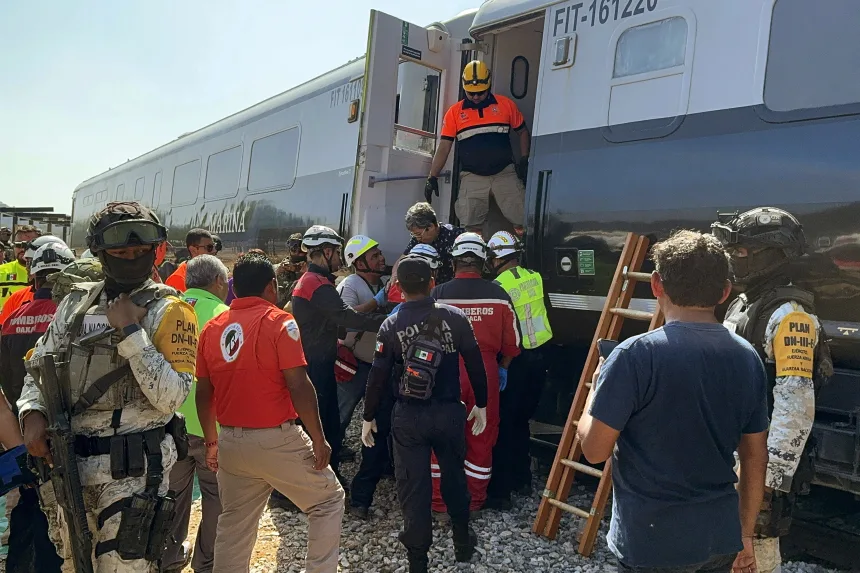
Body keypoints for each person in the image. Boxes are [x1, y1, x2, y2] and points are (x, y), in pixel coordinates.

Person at [18, 201, 197, 571]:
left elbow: (171, 397)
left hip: (131, 475)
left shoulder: (170, 310)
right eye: (120, 251)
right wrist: (31, 411)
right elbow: (39, 368)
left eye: (140, 251)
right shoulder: (74, 305)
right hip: (69, 470)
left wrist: (131, 331)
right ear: (101, 253)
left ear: (155, 251)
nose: (132, 257)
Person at [577, 230, 769, 573]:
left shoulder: (634, 356)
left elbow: (594, 451)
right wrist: (746, 534)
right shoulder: (747, 357)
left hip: (651, 542)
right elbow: (755, 456)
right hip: (719, 538)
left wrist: (595, 390)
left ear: (655, 285)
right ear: (725, 292)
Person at [195, 253, 344, 573]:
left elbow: (204, 393)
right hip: (276, 440)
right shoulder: (280, 321)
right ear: (272, 287)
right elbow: (299, 385)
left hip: (231, 442)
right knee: (328, 501)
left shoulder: (212, 328)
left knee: (233, 527)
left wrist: (212, 442)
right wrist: (319, 438)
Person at [713, 208, 833, 573]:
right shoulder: (745, 303)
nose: (735, 259)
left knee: (755, 559)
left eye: (744, 252)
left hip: (756, 467)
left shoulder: (790, 317)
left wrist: (766, 488)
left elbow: (795, 407)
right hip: (733, 456)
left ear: (773, 254)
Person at [363, 255, 488, 573]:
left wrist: (368, 416)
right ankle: (462, 541)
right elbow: (475, 365)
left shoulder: (390, 324)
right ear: (432, 283)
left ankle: (418, 561)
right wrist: (482, 404)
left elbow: (377, 376)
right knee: (454, 477)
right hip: (449, 413)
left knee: (413, 488)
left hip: (409, 417)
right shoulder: (456, 318)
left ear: (398, 288)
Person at [290, 225, 388, 488]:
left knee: (324, 421)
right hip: (316, 365)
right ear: (326, 251)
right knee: (325, 424)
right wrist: (387, 321)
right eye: (337, 252)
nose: (340, 258)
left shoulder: (314, 282)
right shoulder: (317, 284)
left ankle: (318, 481)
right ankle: (320, 485)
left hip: (314, 362)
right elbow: (345, 317)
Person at [430, 232, 520, 512]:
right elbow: (513, 344)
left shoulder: (438, 294)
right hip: (486, 371)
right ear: (483, 261)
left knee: (441, 434)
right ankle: (474, 501)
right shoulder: (500, 295)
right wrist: (502, 367)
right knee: (481, 435)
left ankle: (439, 501)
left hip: (445, 371)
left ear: (454, 261)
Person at [163, 254, 230, 573]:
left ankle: (168, 558)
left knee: (172, 496)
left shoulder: (167, 310)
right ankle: (207, 563)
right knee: (216, 498)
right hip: (210, 429)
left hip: (168, 424)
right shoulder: (224, 315)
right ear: (218, 282)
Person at [485, 231, 552, 507]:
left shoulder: (498, 286)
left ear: (497, 258)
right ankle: (523, 479)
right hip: (541, 357)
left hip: (515, 360)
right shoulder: (535, 278)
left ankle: (502, 488)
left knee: (505, 423)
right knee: (523, 421)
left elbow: (502, 331)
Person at [425, 60, 530, 236]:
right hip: (472, 176)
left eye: (480, 93)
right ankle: (475, 261)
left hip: (505, 172)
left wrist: (525, 159)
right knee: (471, 229)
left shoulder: (506, 105)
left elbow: (523, 132)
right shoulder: (454, 112)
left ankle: (524, 258)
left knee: (524, 221)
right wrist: (432, 176)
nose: (475, 97)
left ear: (488, 85)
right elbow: (444, 146)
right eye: (471, 93)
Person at [0, 242, 75, 411]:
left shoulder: (12, 319)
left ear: (34, 276)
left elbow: (5, 374)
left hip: (24, 414)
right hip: (67, 413)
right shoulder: (71, 315)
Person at [336, 235, 389, 456]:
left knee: (377, 412)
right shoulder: (350, 284)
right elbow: (346, 319)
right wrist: (377, 302)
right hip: (354, 363)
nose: (381, 259)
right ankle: (331, 451)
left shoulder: (381, 284)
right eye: (374, 256)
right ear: (359, 263)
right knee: (342, 412)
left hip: (375, 362)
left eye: (379, 254)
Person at [0, 235, 68, 326]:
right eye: (27, 263)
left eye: (30, 263)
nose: (27, 268)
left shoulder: (18, 298)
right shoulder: (16, 298)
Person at [402, 203, 464, 285]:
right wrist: (394, 276)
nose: (417, 238)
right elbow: (403, 258)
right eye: (414, 235)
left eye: (418, 234)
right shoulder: (417, 239)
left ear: (431, 227)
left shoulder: (455, 236)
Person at [0, 225, 40, 308]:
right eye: (18, 244)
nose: (23, 249)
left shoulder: (46, 274)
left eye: (29, 244)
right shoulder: (1, 271)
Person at [276, 232, 308, 308]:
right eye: (293, 249)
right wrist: (277, 273)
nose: (297, 252)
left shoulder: (309, 268)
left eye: (300, 251)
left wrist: (303, 275)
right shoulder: (282, 266)